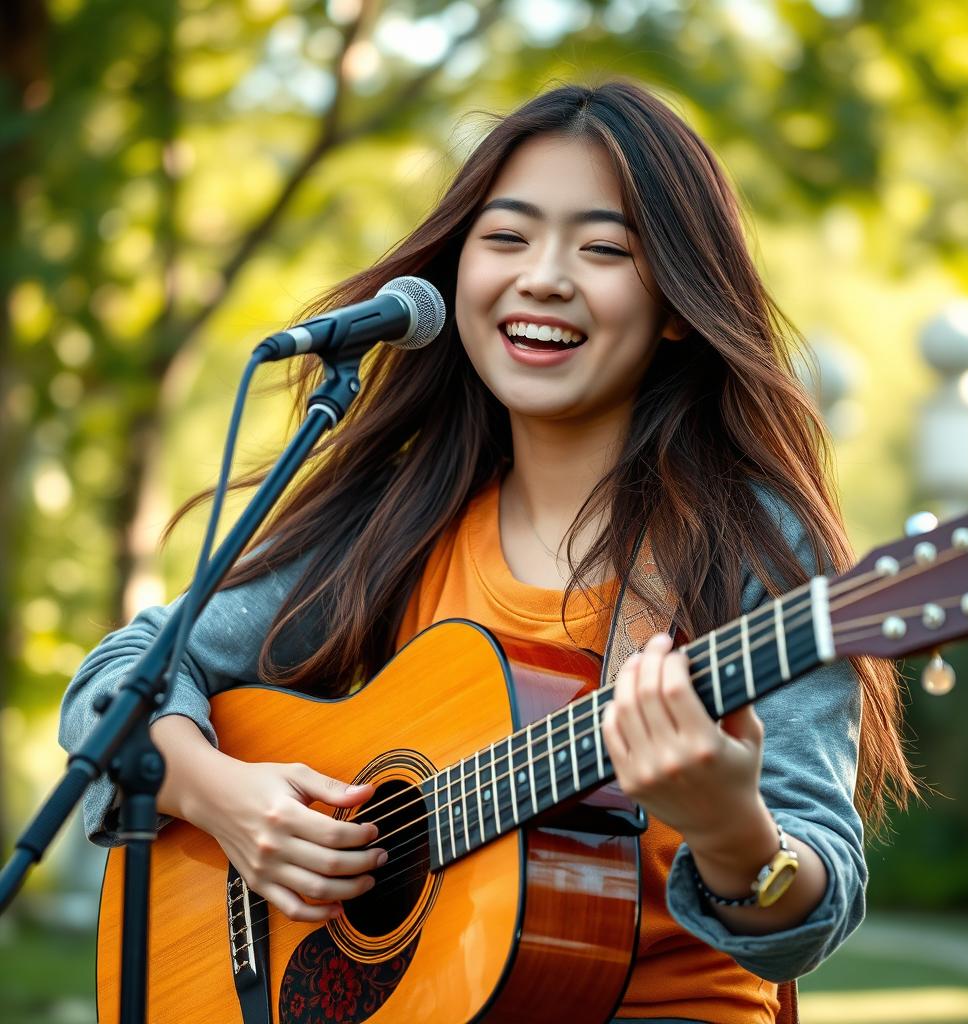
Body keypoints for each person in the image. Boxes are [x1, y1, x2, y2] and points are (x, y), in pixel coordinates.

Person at [60, 79, 916, 1023]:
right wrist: (227, 797)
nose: (543, 276)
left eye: (603, 249)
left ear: (677, 304)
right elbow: (121, 679)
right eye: (506, 238)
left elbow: (813, 905)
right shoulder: (400, 512)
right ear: (454, 275)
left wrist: (732, 829)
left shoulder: (755, 541)